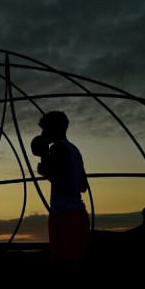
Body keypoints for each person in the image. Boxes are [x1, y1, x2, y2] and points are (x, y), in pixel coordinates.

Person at [31, 111, 90, 261]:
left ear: (54, 129)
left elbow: (61, 180)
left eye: (45, 129)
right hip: (77, 214)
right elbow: (83, 186)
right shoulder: (74, 149)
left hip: (64, 215)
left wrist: (46, 169)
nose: (43, 133)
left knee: (62, 262)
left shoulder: (57, 148)